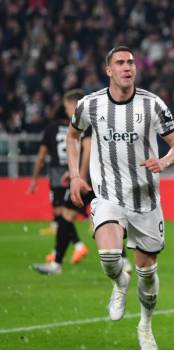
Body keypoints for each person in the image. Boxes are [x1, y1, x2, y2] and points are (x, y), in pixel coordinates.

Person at [67, 46, 174, 350]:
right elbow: (73, 135)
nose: (127, 67)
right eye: (120, 63)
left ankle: (145, 325)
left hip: (146, 200)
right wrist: (76, 175)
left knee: (147, 274)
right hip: (107, 194)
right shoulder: (90, 104)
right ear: (109, 70)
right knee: (109, 257)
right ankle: (119, 282)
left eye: (131, 62)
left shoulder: (152, 105)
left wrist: (166, 161)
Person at [29, 90, 92, 274]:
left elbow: (87, 148)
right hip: (86, 176)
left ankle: (61, 259)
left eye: (67, 107)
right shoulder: (85, 120)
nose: (66, 111)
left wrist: (79, 176)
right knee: (66, 216)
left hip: (93, 179)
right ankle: (58, 260)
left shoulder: (85, 120)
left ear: (74, 105)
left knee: (67, 216)